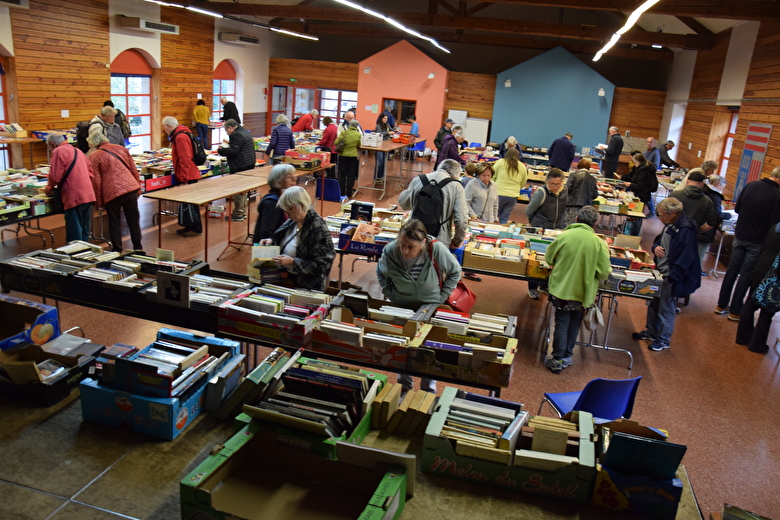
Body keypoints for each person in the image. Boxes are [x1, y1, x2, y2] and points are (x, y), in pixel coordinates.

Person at [376, 218, 461, 394]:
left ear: (423, 244)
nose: (405, 251)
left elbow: (455, 272)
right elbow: (380, 272)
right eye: (403, 245)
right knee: (403, 345)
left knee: (429, 348)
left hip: (430, 306)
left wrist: (441, 297)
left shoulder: (435, 249)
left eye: (411, 247)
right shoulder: (391, 251)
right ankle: (404, 385)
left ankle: (427, 389)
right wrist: (390, 293)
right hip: (402, 304)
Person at [544, 206, 611, 373]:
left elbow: (549, 258)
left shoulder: (564, 236)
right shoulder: (598, 243)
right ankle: (567, 355)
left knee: (561, 321)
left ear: (576, 219)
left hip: (562, 288)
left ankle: (557, 358)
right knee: (574, 323)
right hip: (584, 292)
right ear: (594, 223)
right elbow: (604, 272)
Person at [632, 197, 701, 351]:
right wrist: (656, 247)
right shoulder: (670, 225)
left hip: (670, 276)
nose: (660, 219)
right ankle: (651, 331)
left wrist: (672, 278)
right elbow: (659, 241)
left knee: (666, 308)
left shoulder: (686, 230)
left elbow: (686, 258)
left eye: (662, 215)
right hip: (660, 272)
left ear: (674, 213)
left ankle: (663, 339)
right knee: (653, 303)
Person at [716, 166, 780, 320]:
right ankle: (735, 310)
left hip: (739, 235)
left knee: (732, 270)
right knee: (746, 274)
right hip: (757, 241)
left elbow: (737, 209)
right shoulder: (777, 195)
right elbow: (774, 225)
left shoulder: (751, 185)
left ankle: (721, 305)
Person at [259, 186, 335, 292]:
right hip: (285, 280)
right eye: (284, 209)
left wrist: (293, 262)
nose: (286, 213)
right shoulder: (293, 220)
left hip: (305, 286)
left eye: (289, 208)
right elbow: (281, 235)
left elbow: (322, 266)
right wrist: (271, 240)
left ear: (302, 205)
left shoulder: (317, 227)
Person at [87, 132, 142, 252]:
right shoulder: (121, 149)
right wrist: (138, 187)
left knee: (114, 223)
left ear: (93, 143)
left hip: (111, 192)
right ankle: (138, 247)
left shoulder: (94, 156)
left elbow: (96, 181)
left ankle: (117, 250)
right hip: (130, 188)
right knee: (133, 220)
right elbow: (133, 169)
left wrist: (99, 202)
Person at [399, 159, 469, 250]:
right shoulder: (456, 186)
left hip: (414, 235)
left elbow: (403, 203)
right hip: (440, 239)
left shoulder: (419, 179)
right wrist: (457, 240)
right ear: (456, 175)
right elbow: (461, 220)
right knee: (435, 263)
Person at [736, 223, 780, 354]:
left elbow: (764, 247)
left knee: (750, 305)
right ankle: (757, 344)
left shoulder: (775, 227)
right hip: (774, 275)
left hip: (760, 267)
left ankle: (742, 337)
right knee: (767, 312)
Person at [45, 132, 95, 243]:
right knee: (84, 229)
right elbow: (91, 173)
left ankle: (76, 255)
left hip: (73, 195)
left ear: (53, 144)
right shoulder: (78, 151)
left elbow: (55, 176)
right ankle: (86, 253)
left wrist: (49, 187)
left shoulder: (58, 151)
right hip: (88, 194)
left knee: (74, 231)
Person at [526, 168, 567, 299]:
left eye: (558, 184)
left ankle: (544, 286)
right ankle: (532, 288)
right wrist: (535, 224)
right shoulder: (541, 193)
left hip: (556, 230)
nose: (555, 187)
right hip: (541, 229)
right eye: (552, 184)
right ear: (547, 182)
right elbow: (529, 210)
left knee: (552, 260)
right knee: (538, 259)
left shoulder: (565, 192)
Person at [163, 116, 203, 237]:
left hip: (188, 175)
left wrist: (184, 179)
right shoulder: (183, 133)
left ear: (169, 126)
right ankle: (189, 226)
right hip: (189, 173)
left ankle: (196, 229)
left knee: (191, 204)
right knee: (188, 203)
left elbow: (185, 158)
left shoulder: (180, 137)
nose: (164, 130)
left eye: (164, 128)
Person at [670, 169, 717, 265]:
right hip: (693, 237)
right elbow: (712, 221)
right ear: (702, 184)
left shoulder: (675, 195)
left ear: (687, 181)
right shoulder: (707, 200)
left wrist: (670, 224)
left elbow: (662, 212)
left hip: (674, 233)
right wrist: (699, 230)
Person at [218, 119, 256, 222]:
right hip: (248, 163)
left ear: (230, 127)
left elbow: (234, 150)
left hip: (241, 165)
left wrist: (220, 150)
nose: (227, 133)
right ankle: (241, 212)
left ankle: (238, 213)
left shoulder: (237, 134)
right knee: (243, 190)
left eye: (226, 130)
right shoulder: (243, 131)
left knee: (238, 189)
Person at [252, 164, 296, 245]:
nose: (293, 180)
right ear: (278, 182)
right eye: (288, 177)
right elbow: (266, 235)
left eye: (293, 177)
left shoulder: (283, 198)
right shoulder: (272, 203)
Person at [623, 153, 655, 237]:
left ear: (637, 161)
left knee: (637, 215)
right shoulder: (645, 168)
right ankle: (633, 232)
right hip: (643, 195)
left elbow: (640, 185)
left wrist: (630, 185)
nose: (634, 164)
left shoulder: (643, 170)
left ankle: (634, 234)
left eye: (634, 162)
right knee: (637, 215)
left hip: (641, 195)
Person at [492, 148, 528, 224]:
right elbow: (523, 182)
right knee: (505, 218)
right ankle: (503, 233)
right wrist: (517, 188)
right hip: (512, 196)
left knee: (493, 216)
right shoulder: (522, 166)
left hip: (498, 193)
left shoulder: (500, 162)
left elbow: (492, 176)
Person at [561, 158, 598, 228]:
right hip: (586, 207)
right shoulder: (593, 179)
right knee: (582, 227)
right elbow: (595, 195)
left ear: (578, 166)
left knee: (569, 226)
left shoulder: (573, 175)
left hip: (571, 205)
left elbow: (567, 189)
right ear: (589, 167)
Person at [334, 120, 362, 201]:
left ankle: (342, 192)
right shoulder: (358, 134)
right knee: (351, 175)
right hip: (353, 156)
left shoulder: (344, 133)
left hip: (343, 156)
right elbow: (359, 145)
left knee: (342, 174)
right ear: (356, 127)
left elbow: (336, 142)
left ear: (349, 125)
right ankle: (349, 193)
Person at [374, 113, 392, 180]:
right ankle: (377, 176)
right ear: (381, 118)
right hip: (379, 145)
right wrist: (388, 133)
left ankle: (381, 176)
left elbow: (391, 130)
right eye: (384, 118)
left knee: (384, 161)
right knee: (379, 161)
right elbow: (380, 134)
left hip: (386, 145)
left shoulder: (387, 125)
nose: (386, 120)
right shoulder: (378, 126)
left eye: (386, 118)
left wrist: (395, 130)